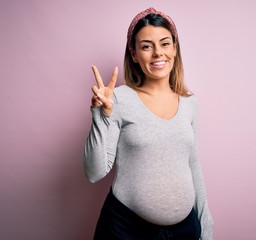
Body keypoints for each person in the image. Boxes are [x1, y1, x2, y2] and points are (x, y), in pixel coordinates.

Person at [83, 7, 214, 240]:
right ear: (134, 54)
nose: (157, 53)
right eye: (146, 46)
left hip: (184, 231)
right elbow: (94, 172)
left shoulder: (190, 102)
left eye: (165, 43)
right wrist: (100, 115)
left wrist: (206, 226)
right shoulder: (118, 99)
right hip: (126, 229)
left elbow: (193, 166)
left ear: (175, 47)